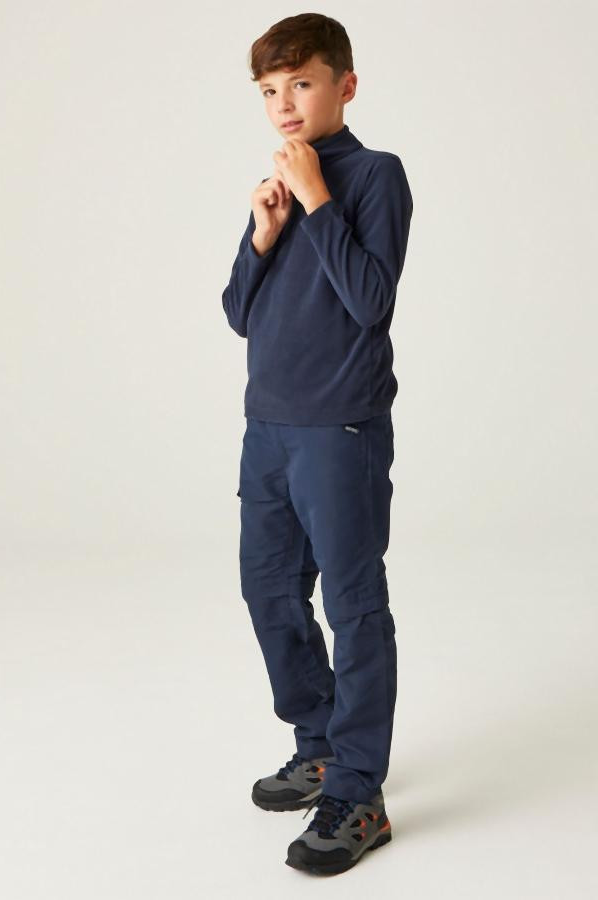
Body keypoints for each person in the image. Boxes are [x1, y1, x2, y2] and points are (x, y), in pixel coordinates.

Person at [221, 12, 413, 876]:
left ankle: (359, 791)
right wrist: (263, 234)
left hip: (341, 429)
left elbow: (370, 300)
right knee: (268, 590)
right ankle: (321, 744)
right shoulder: (279, 187)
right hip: (268, 427)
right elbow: (238, 312)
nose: (285, 103)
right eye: (270, 89)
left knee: (353, 603)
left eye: (301, 82)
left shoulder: (373, 176)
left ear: (346, 85)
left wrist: (317, 199)